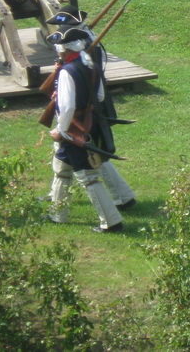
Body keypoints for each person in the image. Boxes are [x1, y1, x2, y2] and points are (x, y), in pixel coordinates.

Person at [48, 6, 137, 212]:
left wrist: (63, 125)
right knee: (80, 158)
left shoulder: (86, 50)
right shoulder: (84, 47)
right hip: (89, 111)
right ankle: (122, 196)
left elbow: (74, 96)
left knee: (89, 162)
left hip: (79, 114)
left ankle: (61, 207)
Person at [45, 25, 124, 232]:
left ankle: (111, 221)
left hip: (72, 130)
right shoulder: (91, 66)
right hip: (87, 125)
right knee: (61, 168)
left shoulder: (66, 71)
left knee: (88, 178)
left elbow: (68, 106)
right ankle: (58, 213)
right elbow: (99, 97)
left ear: (63, 49)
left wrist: (61, 131)